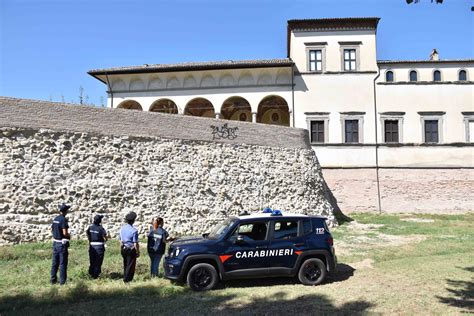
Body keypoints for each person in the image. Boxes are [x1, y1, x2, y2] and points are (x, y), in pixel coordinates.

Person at [50, 203, 71, 285]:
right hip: (62, 244)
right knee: (62, 263)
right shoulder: (63, 220)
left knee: (55, 262)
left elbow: (52, 230)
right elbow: (65, 233)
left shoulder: (55, 218)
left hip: (55, 243)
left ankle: (53, 280)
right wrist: (69, 236)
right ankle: (62, 282)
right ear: (66, 211)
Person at [119, 212, 139, 282]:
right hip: (131, 249)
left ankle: (125, 277)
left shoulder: (122, 229)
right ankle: (127, 280)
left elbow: (121, 241)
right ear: (133, 221)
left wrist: (121, 249)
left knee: (125, 264)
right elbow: (135, 243)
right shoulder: (134, 231)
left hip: (124, 248)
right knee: (130, 265)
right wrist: (137, 251)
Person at [86, 214, 108, 279]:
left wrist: (90, 239)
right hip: (99, 247)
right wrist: (107, 238)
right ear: (100, 221)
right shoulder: (101, 228)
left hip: (92, 246)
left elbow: (87, 233)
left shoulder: (90, 227)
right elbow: (105, 238)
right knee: (98, 262)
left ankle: (91, 273)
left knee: (92, 261)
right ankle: (96, 275)